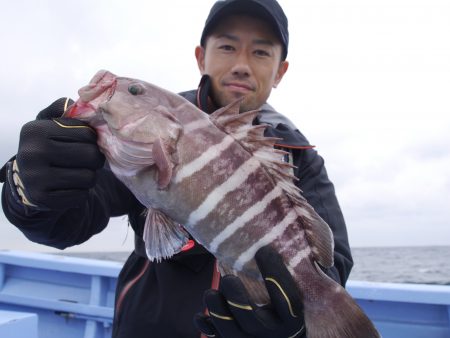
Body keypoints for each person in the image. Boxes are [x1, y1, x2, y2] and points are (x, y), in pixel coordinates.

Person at [0, 0, 353, 337]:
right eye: (227, 47)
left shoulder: (301, 157)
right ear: (201, 57)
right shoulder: (145, 130)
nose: (242, 64)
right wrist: (32, 190)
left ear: (281, 71)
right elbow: (67, 222)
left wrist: (295, 327)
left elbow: (331, 262)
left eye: (261, 51)